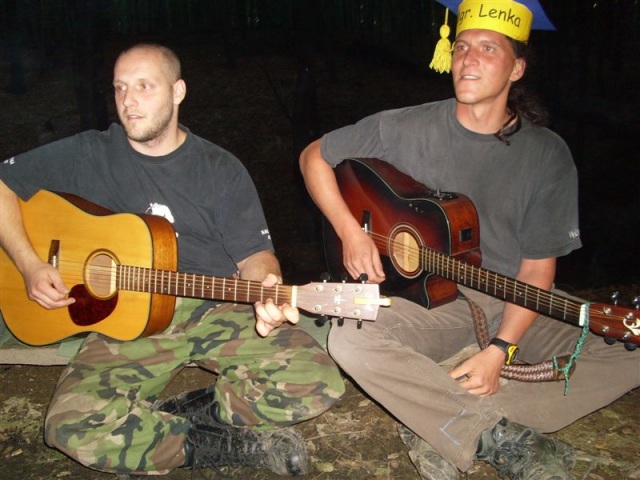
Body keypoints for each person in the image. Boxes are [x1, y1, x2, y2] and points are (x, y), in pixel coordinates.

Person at [299, 1, 640, 479]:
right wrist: (349, 231)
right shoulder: (405, 126)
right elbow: (314, 157)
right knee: (351, 339)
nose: (468, 59)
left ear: (517, 68)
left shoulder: (546, 155)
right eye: (461, 47)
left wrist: (501, 351)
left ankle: (441, 415)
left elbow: (537, 271)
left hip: (513, 299)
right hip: (429, 305)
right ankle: (480, 430)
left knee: (631, 349)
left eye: (488, 49)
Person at [0, 43, 344, 477]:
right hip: (126, 322)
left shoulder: (220, 168)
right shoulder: (90, 153)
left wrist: (267, 288)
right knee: (68, 428)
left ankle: (185, 412)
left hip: (213, 308)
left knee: (316, 381)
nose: (128, 100)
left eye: (144, 86)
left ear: (178, 92)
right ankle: (215, 444)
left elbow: (255, 256)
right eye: (120, 87)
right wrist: (30, 264)